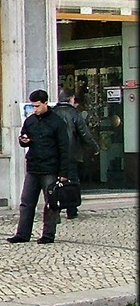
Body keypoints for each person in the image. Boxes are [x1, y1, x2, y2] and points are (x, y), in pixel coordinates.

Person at [8, 89, 70, 245]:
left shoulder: (57, 122)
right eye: (33, 106)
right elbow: (23, 137)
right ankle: (22, 234)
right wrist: (23, 140)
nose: (35, 109)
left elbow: (64, 148)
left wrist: (63, 172)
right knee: (26, 202)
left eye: (37, 106)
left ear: (45, 103)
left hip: (50, 167)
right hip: (33, 167)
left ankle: (48, 235)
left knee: (51, 203)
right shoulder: (30, 121)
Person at [51, 87, 100, 219]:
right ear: (71, 98)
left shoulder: (52, 112)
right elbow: (85, 134)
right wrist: (95, 147)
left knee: (55, 181)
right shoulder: (74, 114)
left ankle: (55, 207)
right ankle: (71, 209)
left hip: (54, 154)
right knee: (71, 181)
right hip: (71, 153)